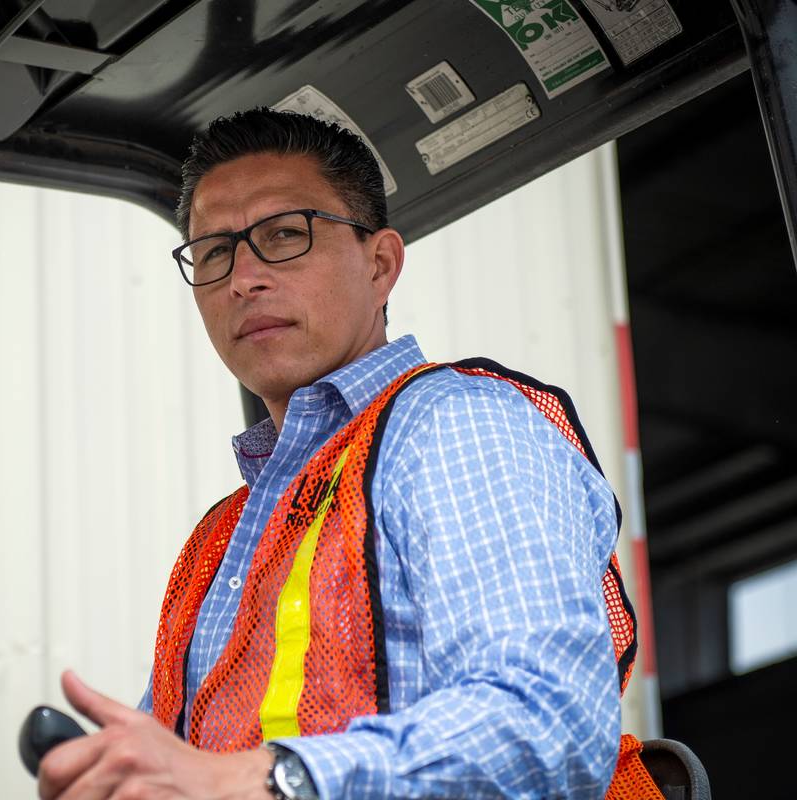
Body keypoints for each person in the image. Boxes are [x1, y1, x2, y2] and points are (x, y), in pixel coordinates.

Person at [37, 108, 642, 799]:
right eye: (213, 251)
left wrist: (272, 779)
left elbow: (550, 724)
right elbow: (188, 769)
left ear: (380, 264)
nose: (243, 279)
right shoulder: (223, 538)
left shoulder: (452, 426)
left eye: (284, 235)